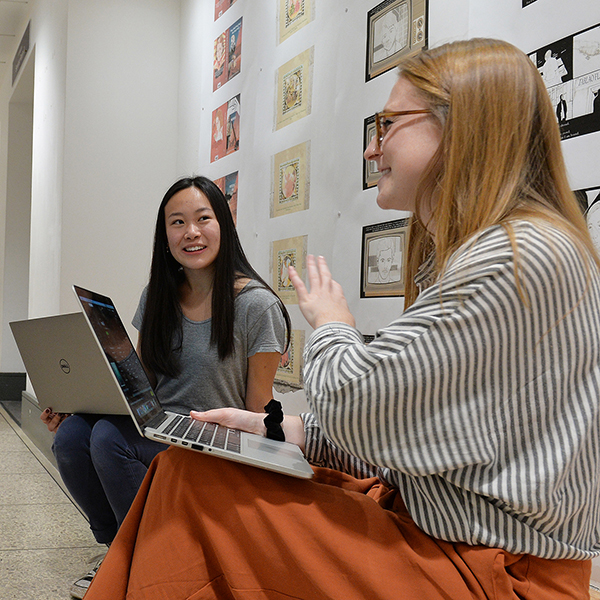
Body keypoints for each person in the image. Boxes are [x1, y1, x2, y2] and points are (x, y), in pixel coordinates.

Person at [85, 39, 600, 600]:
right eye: (176, 223)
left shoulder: (519, 254)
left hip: (490, 565)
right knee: (179, 469)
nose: (371, 150)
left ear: (465, 127)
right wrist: (278, 430)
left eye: (388, 125)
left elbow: (360, 406)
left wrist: (331, 324)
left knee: (187, 484)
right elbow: (414, 431)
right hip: (448, 530)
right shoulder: (505, 252)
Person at [41, 175, 290, 598]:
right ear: (165, 236)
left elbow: (259, 411)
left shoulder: (256, 305)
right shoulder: (157, 295)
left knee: (106, 440)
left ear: (223, 226)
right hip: (159, 428)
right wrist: (79, 403)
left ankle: (145, 558)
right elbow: (141, 387)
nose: (190, 232)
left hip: (215, 438)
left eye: (202, 218)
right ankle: (121, 549)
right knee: (70, 436)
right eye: (177, 223)